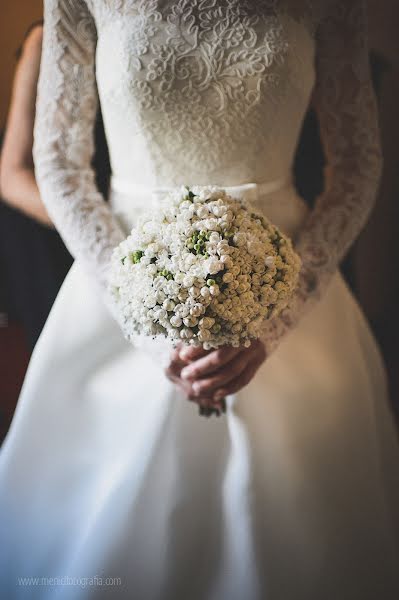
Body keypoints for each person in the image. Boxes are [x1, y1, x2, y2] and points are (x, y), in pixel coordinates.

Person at [1, 2, 399, 598]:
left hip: (283, 272)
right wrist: (141, 317)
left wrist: (277, 318)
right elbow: (56, 162)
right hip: (123, 268)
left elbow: (358, 166)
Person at [0, 21, 110, 348]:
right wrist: (98, 234)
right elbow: (11, 174)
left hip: (131, 219)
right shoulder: (47, 37)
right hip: (52, 225)